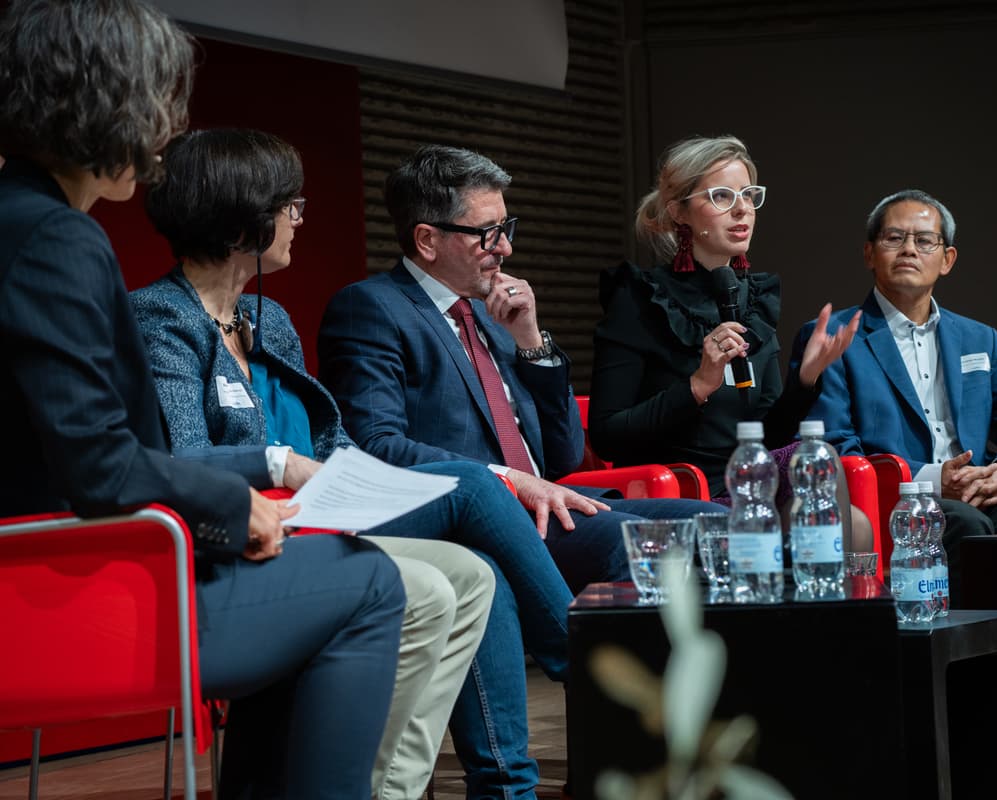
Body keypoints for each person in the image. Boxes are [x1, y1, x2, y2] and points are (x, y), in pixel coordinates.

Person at [0, 3, 405, 798]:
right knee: (367, 581)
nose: (162, 136)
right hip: (62, 605)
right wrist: (236, 503)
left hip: (40, 575)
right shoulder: (54, 239)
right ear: (103, 102)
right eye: (156, 105)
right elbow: (98, 466)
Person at [130, 127, 572, 800]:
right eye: (289, 203)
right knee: (474, 487)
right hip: (234, 543)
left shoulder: (266, 317)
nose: (300, 217)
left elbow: (330, 440)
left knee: (474, 572)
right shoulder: (159, 319)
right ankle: (584, 661)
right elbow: (185, 457)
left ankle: (396, 788)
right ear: (243, 214)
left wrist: (361, 478)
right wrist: (279, 462)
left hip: (322, 516)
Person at [317, 143, 726, 597]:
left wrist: (531, 340)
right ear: (427, 240)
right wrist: (508, 479)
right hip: (478, 518)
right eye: (488, 233)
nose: (506, 248)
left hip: (550, 505)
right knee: (648, 550)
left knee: (723, 529)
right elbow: (377, 446)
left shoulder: (495, 314)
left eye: (506, 228)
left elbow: (565, 455)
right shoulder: (372, 307)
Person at [587, 135, 868, 545]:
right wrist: (697, 386)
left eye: (750, 196)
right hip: (680, 490)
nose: (742, 210)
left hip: (750, 479)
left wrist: (805, 381)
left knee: (822, 465)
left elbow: (767, 436)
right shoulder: (639, 298)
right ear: (679, 211)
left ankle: (818, 607)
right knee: (843, 524)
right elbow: (608, 434)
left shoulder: (754, 300)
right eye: (721, 196)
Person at [788, 188, 997, 587]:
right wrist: (932, 481)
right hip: (890, 502)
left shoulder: (978, 338)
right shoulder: (833, 338)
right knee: (967, 525)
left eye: (925, 240)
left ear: (947, 259)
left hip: (978, 495)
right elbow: (834, 445)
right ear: (869, 254)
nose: (909, 250)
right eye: (894, 238)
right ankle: (976, 648)